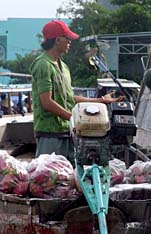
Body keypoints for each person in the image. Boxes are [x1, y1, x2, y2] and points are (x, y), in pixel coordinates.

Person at [29, 20, 124, 165]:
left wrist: (101, 101)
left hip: (67, 132)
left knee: (69, 177)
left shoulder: (64, 67)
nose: (69, 42)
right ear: (57, 40)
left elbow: (69, 98)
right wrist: (75, 119)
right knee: (48, 177)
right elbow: (47, 103)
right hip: (50, 134)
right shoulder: (43, 65)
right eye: (67, 38)